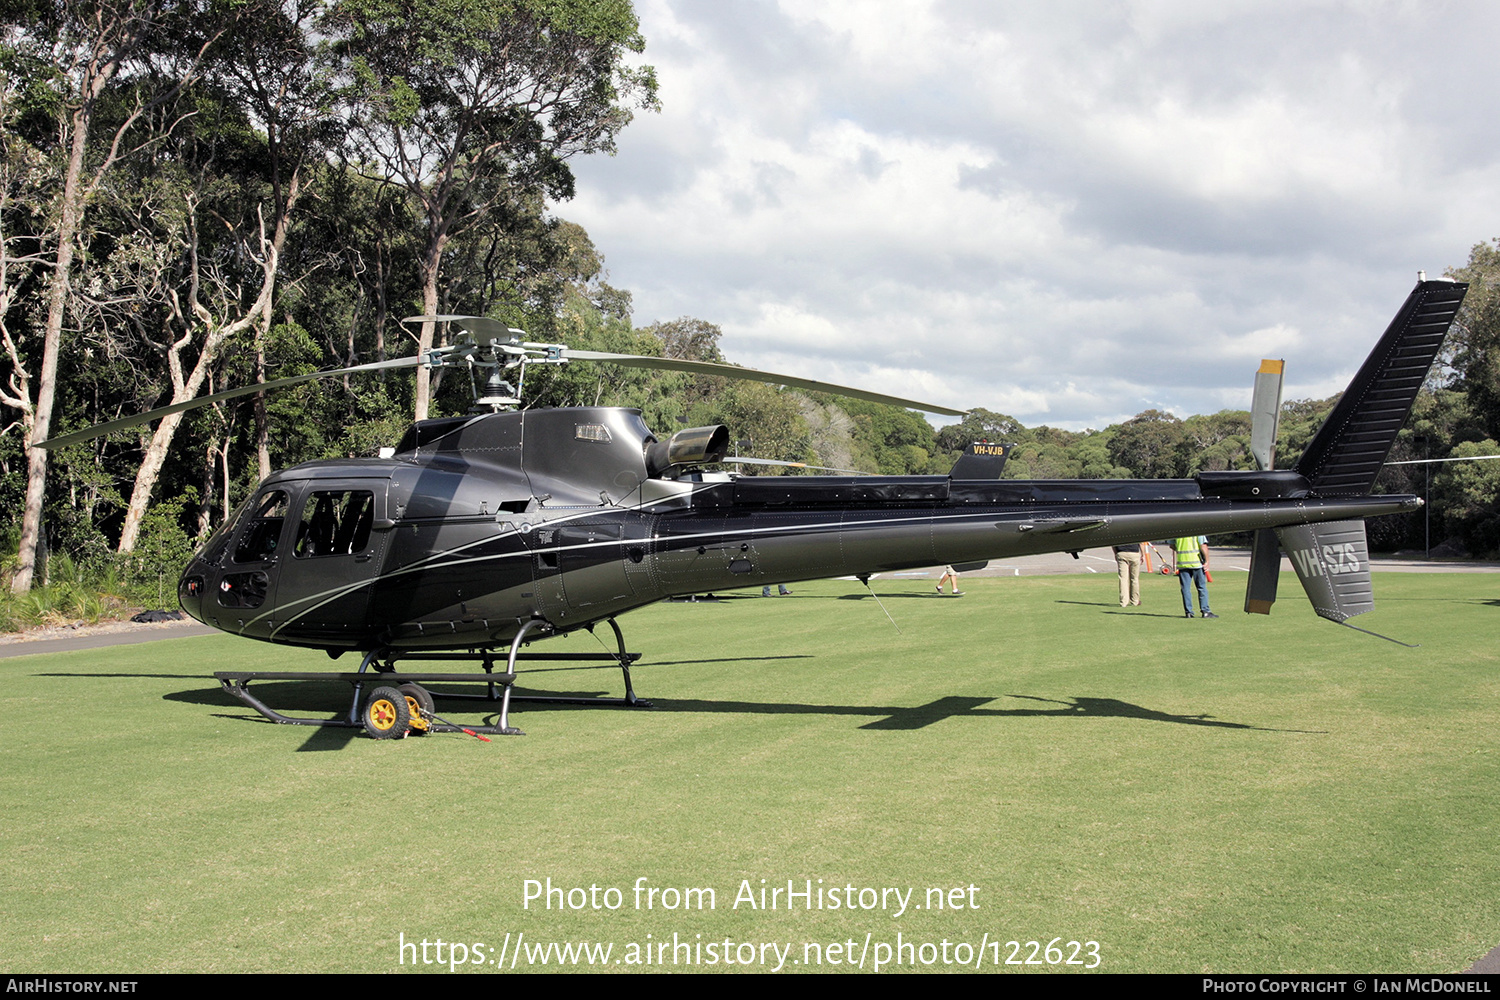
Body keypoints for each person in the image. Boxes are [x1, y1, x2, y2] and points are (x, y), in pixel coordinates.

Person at [1173, 536, 1217, 619]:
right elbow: (1203, 545)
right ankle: (1205, 611)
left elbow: (1172, 545)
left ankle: (1188, 612)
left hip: (1182, 563)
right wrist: (1207, 561)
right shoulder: (1196, 527)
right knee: (1201, 587)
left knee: (1185, 589)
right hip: (1196, 563)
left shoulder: (1176, 528)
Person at [1113, 542, 1145, 607]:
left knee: (1123, 579)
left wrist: (1116, 553)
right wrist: (1143, 554)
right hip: (1134, 553)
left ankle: (1123, 602)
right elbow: (1141, 543)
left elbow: (1113, 543)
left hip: (1121, 552)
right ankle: (1135, 601)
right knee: (1134, 579)